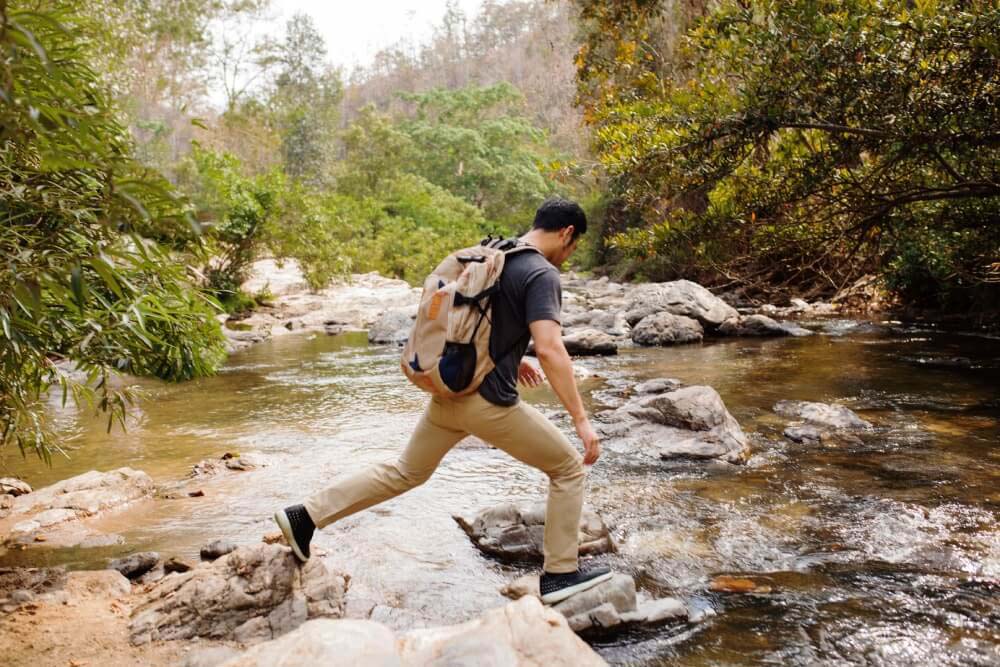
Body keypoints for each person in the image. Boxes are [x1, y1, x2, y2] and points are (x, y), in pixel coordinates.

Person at [274, 198, 612, 604]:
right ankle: (560, 573)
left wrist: (511, 355)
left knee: (406, 471)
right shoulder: (541, 273)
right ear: (567, 234)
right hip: (488, 404)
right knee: (568, 469)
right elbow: (552, 349)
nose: (568, 257)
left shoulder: (494, 254)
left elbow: (473, 325)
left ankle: (305, 516)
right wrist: (581, 419)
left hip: (449, 393)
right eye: (572, 249)